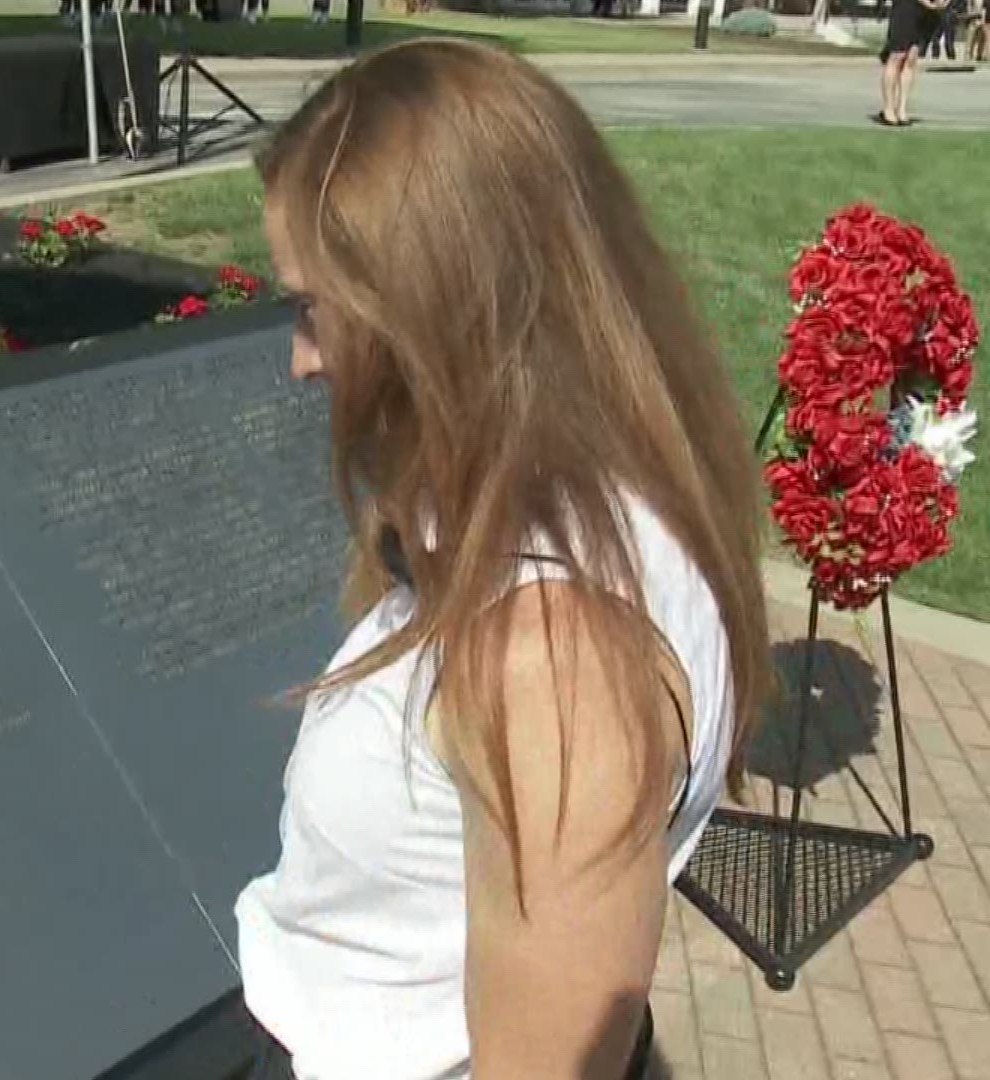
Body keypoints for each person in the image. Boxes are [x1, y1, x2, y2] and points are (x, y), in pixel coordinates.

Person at [235, 40, 771, 1080]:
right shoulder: (620, 496)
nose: (299, 361)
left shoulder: (555, 663)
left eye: (311, 310)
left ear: (430, 315)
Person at [880, 0, 948, 125]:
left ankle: (902, 109)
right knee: (897, 55)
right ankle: (889, 109)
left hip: (929, 12)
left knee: (911, 58)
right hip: (907, 6)